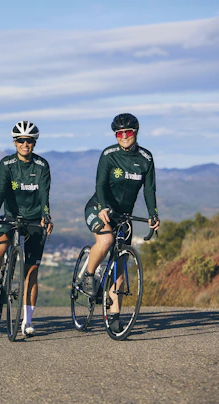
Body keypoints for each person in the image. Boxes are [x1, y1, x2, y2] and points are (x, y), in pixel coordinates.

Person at [80, 113, 160, 332]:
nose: (124, 137)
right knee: (106, 240)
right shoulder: (108, 154)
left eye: (128, 132)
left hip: (124, 216)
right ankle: (89, 275)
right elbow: (100, 184)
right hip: (99, 207)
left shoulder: (146, 158)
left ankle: (114, 315)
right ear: (116, 135)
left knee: (121, 269)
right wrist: (104, 207)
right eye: (119, 133)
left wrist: (153, 213)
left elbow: (149, 189)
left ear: (135, 132)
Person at [0, 121, 53, 337]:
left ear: (34, 143)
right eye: (21, 140)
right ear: (15, 142)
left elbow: (44, 195)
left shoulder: (42, 166)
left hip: (34, 220)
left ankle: (28, 321)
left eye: (29, 140)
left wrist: (46, 215)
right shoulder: (6, 164)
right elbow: (0, 191)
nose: (25, 144)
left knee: (31, 272)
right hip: (11, 217)